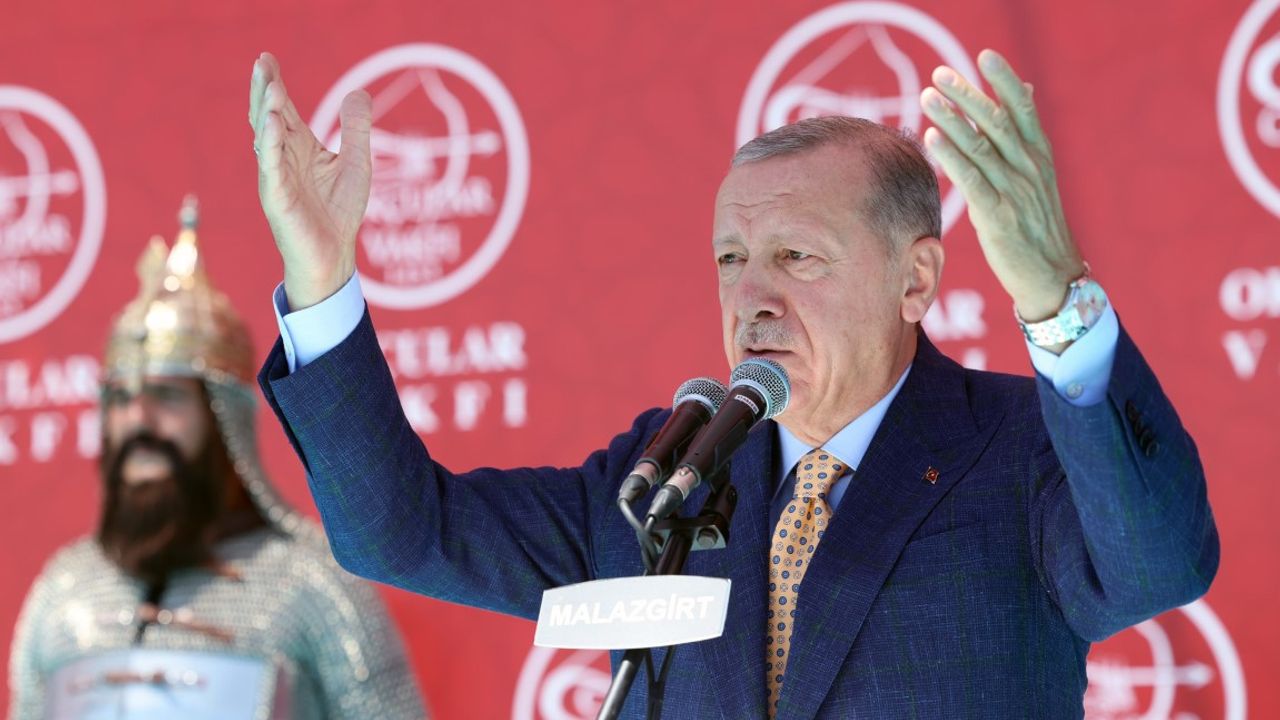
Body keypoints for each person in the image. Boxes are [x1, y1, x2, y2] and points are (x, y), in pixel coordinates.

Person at [248, 47, 1218, 719]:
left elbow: (1159, 565)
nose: (750, 296)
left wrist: (1056, 302)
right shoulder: (668, 472)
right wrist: (323, 280)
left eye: (796, 256)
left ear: (915, 280)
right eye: (729, 259)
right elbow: (400, 532)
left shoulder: (1016, 449)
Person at [8, 199, 428, 720]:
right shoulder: (64, 592)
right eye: (119, 399)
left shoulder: (314, 585)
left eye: (167, 396)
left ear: (224, 416)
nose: (138, 420)